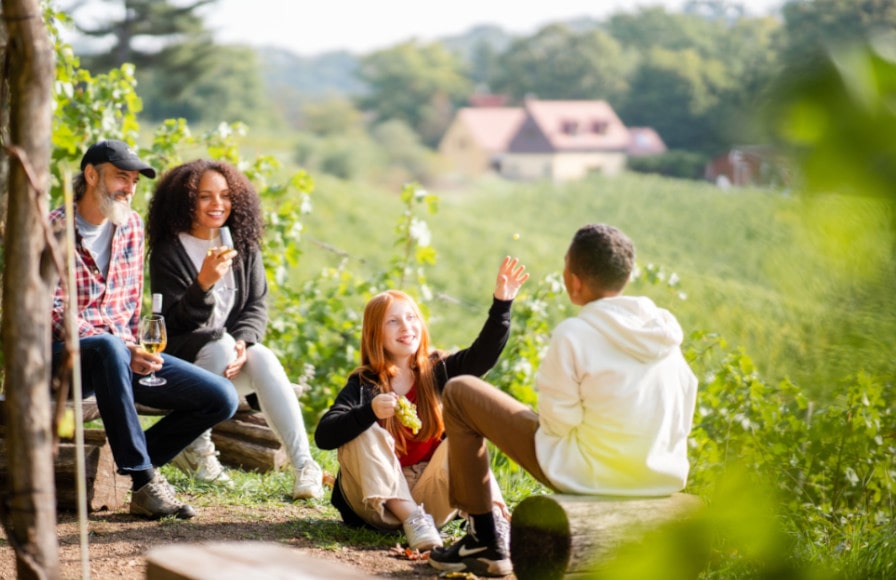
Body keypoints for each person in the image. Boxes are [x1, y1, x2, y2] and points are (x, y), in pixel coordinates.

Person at [428, 223, 699, 577]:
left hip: (590, 475)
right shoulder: (666, 337)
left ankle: (482, 538)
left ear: (573, 280)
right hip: (659, 476)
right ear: (625, 275)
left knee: (461, 392)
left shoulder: (575, 334)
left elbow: (557, 423)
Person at [51, 140, 239, 520]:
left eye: (135, 181)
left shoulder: (131, 227)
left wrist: (135, 348)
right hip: (61, 362)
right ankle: (143, 480)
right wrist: (123, 346)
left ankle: (132, 462)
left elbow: (130, 306)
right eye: (121, 177)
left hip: (120, 356)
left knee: (221, 398)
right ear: (90, 175)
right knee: (106, 345)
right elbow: (51, 310)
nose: (129, 189)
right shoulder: (52, 228)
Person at [314, 257, 530, 551]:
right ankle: (411, 518)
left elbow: (482, 357)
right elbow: (324, 435)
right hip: (377, 503)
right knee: (362, 429)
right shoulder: (365, 383)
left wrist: (502, 305)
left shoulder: (437, 370)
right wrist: (370, 412)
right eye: (393, 321)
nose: (406, 326)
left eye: (411, 317)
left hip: (431, 499)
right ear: (376, 334)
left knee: (464, 438)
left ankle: (494, 523)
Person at [146, 158, 325, 500]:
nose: (218, 204)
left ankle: (305, 466)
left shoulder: (243, 246)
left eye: (225, 195)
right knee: (217, 343)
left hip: (228, 366)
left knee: (261, 356)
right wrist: (203, 284)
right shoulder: (169, 251)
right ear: (186, 201)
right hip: (183, 371)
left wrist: (243, 341)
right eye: (205, 196)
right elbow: (173, 325)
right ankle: (196, 450)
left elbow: (257, 305)